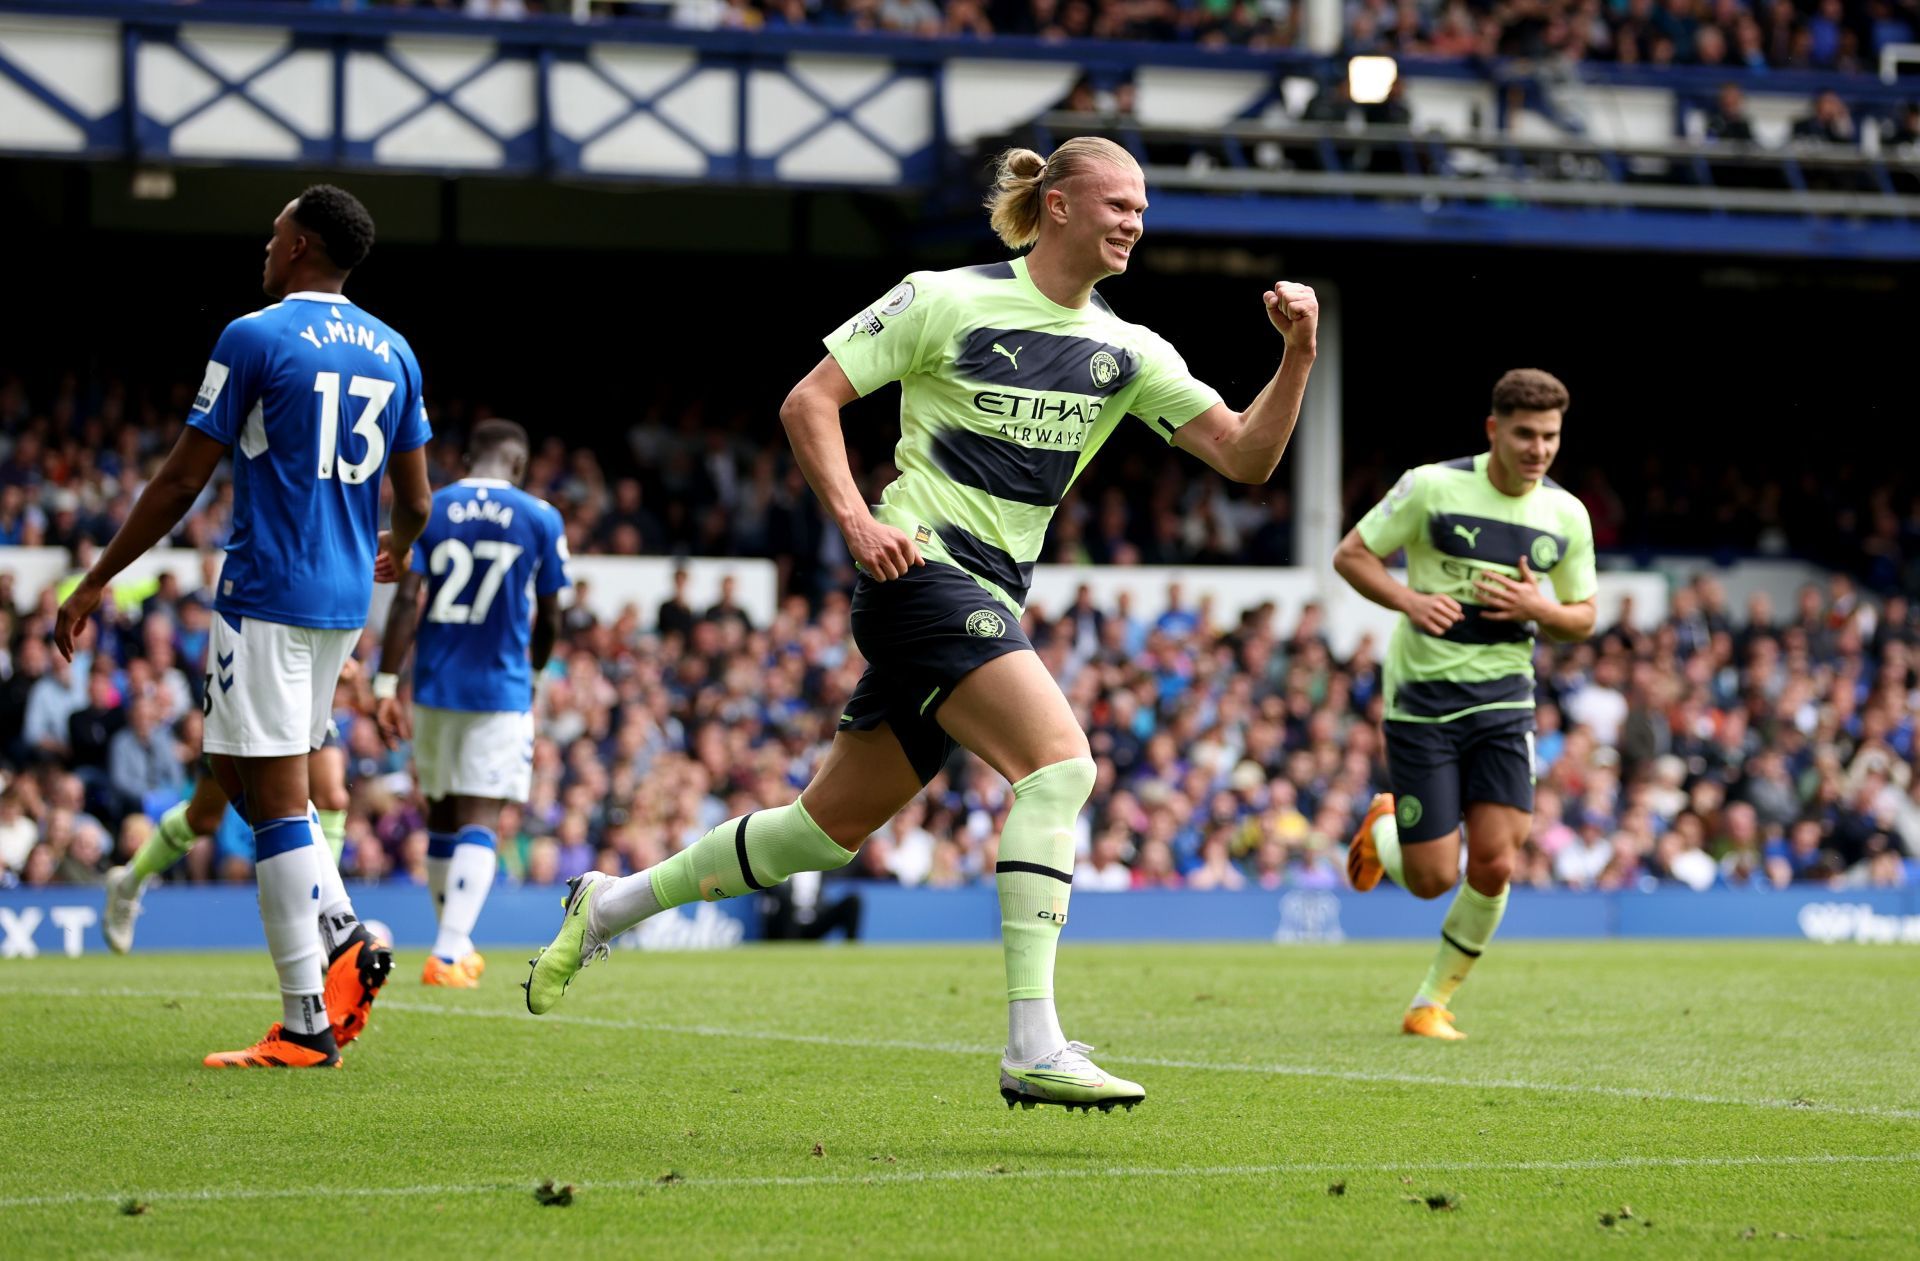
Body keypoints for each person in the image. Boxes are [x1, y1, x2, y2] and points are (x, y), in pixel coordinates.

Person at [522, 136, 1322, 1113]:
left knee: (817, 836)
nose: (1134, 223)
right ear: (1059, 204)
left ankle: (608, 902)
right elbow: (809, 401)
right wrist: (858, 520)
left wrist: (1298, 355)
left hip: (986, 594)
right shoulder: (943, 295)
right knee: (1061, 766)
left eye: (1143, 210)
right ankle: (1034, 1042)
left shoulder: (1132, 351)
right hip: (918, 572)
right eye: (1118, 203)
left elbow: (1245, 456)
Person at [56, 185, 433, 1068]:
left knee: (272, 807)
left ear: (300, 244)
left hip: (266, 590)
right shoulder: (395, 348)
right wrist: (398, 548)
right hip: (342, 602)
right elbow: (416, 499)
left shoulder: (254, 334)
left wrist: (96, 579)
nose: (265, 246)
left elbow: (182, 481)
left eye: (274, 233)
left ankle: (322, 980)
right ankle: (322, 981)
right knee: (250, 776)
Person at [1335, 369, 1597, 1040]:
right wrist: (1409, 599)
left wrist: (1542, 608)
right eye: (1526, 434)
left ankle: (1431, 1001)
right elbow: (1353, 555)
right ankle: (1383, 829)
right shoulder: (1432, 486)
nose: (1539, 449)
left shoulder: (1566, 515)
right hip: (1423, 701)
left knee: (1497, 861)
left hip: (1505, 702)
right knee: (1428, 878)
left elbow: (1585, 615)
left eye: (1550, 436)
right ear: (1494, 430)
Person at [372, 418, 569, 988]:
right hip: (499, 689)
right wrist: (535, 670)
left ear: (465, 460)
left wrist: (387, 682)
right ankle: (450, 950)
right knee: (483, 816)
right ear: (518, 465)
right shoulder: (539, 516)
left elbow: (408, 597)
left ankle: (452, 944)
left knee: (441, 812)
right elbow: (552, 614)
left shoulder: (431, 508)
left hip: (434, 685)